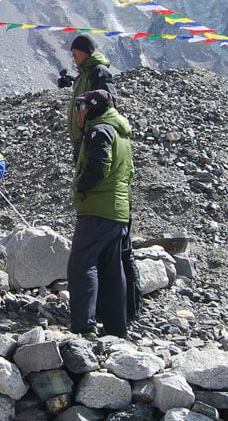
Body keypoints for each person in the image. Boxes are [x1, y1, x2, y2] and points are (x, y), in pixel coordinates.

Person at [68, 89, 134, 338]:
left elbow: (98, 165)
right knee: (112, 270)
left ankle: (84, 325)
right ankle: (117, 328)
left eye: (81, 108)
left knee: (82, 264)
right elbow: (129, 172)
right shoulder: (121, 133)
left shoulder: (100, 130)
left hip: (98, 208)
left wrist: (81, 185)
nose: (78, 114)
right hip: (118, 211)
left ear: (93, 108)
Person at [64, 35, 117, 162]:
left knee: (90, 172)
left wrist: (96, 131)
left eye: (76, 53)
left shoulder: (98, 72)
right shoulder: (83, 74)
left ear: (85, 52)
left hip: (90, 138)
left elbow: (109, 103)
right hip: (80, 139)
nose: (73, 57)